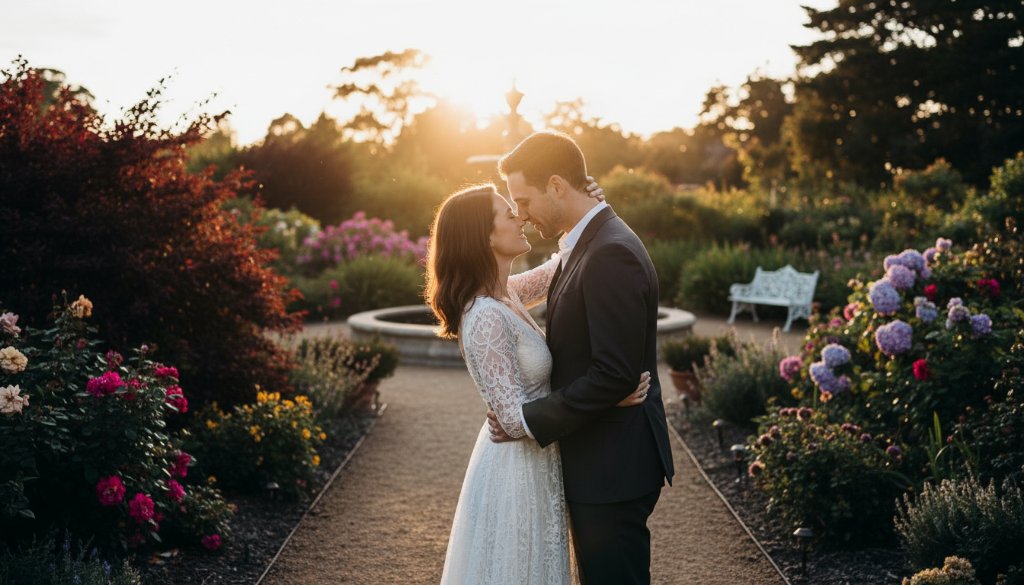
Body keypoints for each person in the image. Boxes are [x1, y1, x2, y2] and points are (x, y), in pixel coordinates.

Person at [426, 181, 651, 584]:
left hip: (539, 459)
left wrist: (587, 209)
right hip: (515, 470)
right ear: (484, 235)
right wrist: (609, 398)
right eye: (508, 213)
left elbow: (564, 263)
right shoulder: (485, 317)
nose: (520, 216)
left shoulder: (508, 293)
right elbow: (512, 420)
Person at [488, 130, 675, 585]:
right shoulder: (591, 240)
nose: (523, 214)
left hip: (612, 465)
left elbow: (615, 373)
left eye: (525, 200)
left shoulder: (609, 252)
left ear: (556, 186)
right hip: (603, 455)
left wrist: (526, 420)